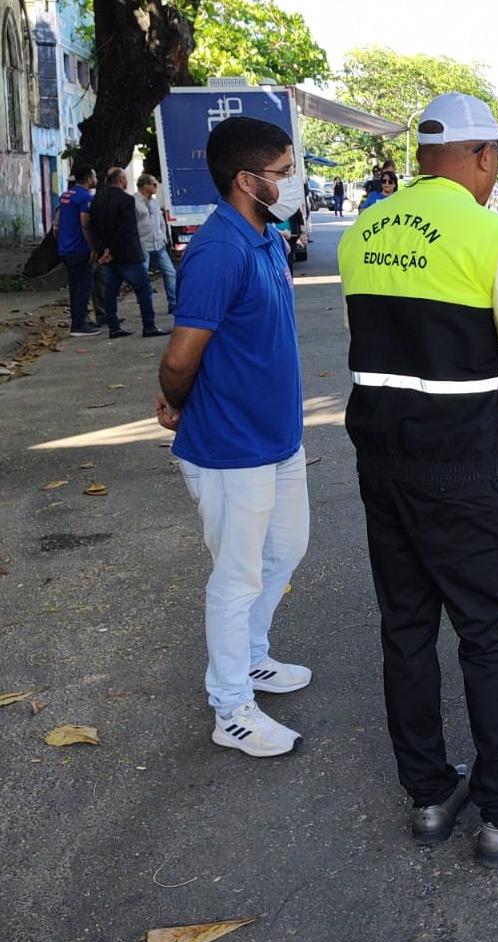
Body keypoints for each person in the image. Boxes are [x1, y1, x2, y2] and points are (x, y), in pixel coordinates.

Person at [339, 93, 498, 864]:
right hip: (460, 464)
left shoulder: (364, 230)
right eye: (496, 160)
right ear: (481, 156)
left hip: (382, 458)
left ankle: (427, 796)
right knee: (490, 631)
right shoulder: (493, 238)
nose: (495, 173)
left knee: (407, 628)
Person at [153, 116, 313, 759]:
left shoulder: (267, 237)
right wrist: (176, 403)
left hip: (278, 438)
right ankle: (231, 707)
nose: (294, 182)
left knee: (286, 551)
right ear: (247, 180)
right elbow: (180, 357)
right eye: (283, 172)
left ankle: (250, 657)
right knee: (237, 576)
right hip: (229, 446)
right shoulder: (218, 250)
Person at [91, 167, 164, 338]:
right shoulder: (126, 200)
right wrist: (112, 250)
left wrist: (103, 251)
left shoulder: (97, 200)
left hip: (108, 256)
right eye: (125, 179)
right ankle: (149, 325)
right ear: (121, 179)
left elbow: (94, 228)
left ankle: (113, 327)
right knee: (143, 289)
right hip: (127, 254)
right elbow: (126, 229)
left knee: (110, 292)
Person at [57, 165, 102, 338]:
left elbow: (57, 224)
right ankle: (79, 324)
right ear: (89, 179)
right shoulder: (85, 197)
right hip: (79, 248)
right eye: (94, 177)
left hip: (65, 247)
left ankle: (81, 319)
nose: (96, 180)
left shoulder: (66, 195)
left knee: (75, 287)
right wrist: (92, 247)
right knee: (83, 287)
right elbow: (85, 224)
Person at [134, 173, 177, 315]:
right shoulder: (134, 202)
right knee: (142, 277)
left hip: (159, 244)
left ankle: (173, 303)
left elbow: (160, 221)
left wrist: (164, 236)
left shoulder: (154, 202)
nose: (156, 186)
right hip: (143, 244)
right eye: (153, 184)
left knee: (170, 272)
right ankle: (145, 306)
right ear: (145, 185)